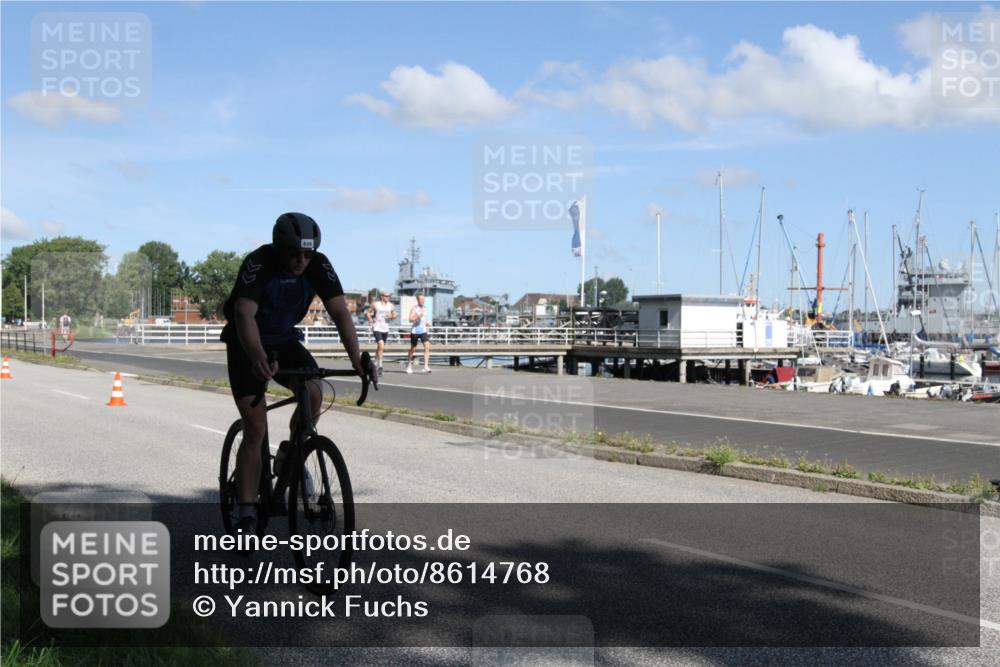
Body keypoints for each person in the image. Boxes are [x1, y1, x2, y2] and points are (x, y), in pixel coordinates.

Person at [220, 212, 364, 534]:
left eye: (307, 254)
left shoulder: (318, 265)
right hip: (247, 341)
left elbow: (340, 311)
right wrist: (257, 356)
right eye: (294, 253)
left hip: (283, 340)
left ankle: (290, 453)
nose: (301, 260)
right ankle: (245, 509)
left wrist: (357, 358)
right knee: (256, 427)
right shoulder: (259, 262)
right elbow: (244, 314)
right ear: (278, 246)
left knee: (314, 392)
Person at [365, 290, 396, 375]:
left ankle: (374, 363)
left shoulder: (391, 305)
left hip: (385, 328)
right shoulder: (376, 304)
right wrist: (371, 320)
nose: (388, 297)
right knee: (381, 345)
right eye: (386, 296)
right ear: (382, 296)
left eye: (389, 296)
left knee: (380, 347)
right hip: (377, 327)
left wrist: (392, 316)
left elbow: (395, 315)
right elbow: (367, 313)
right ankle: (380, 366)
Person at [406, 293, 431, 374]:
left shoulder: (425, 308)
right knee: (413, 349)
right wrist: (417, 317)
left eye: (423, 299)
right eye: (421, 299)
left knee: (427, 346)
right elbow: (410, 319)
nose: (422, 301)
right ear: (417, 300)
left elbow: (424, 319)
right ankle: (409, 365)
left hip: (423, 331)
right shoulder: (414, 308)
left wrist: (427, 323)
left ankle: (426, 366)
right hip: (415, 331)